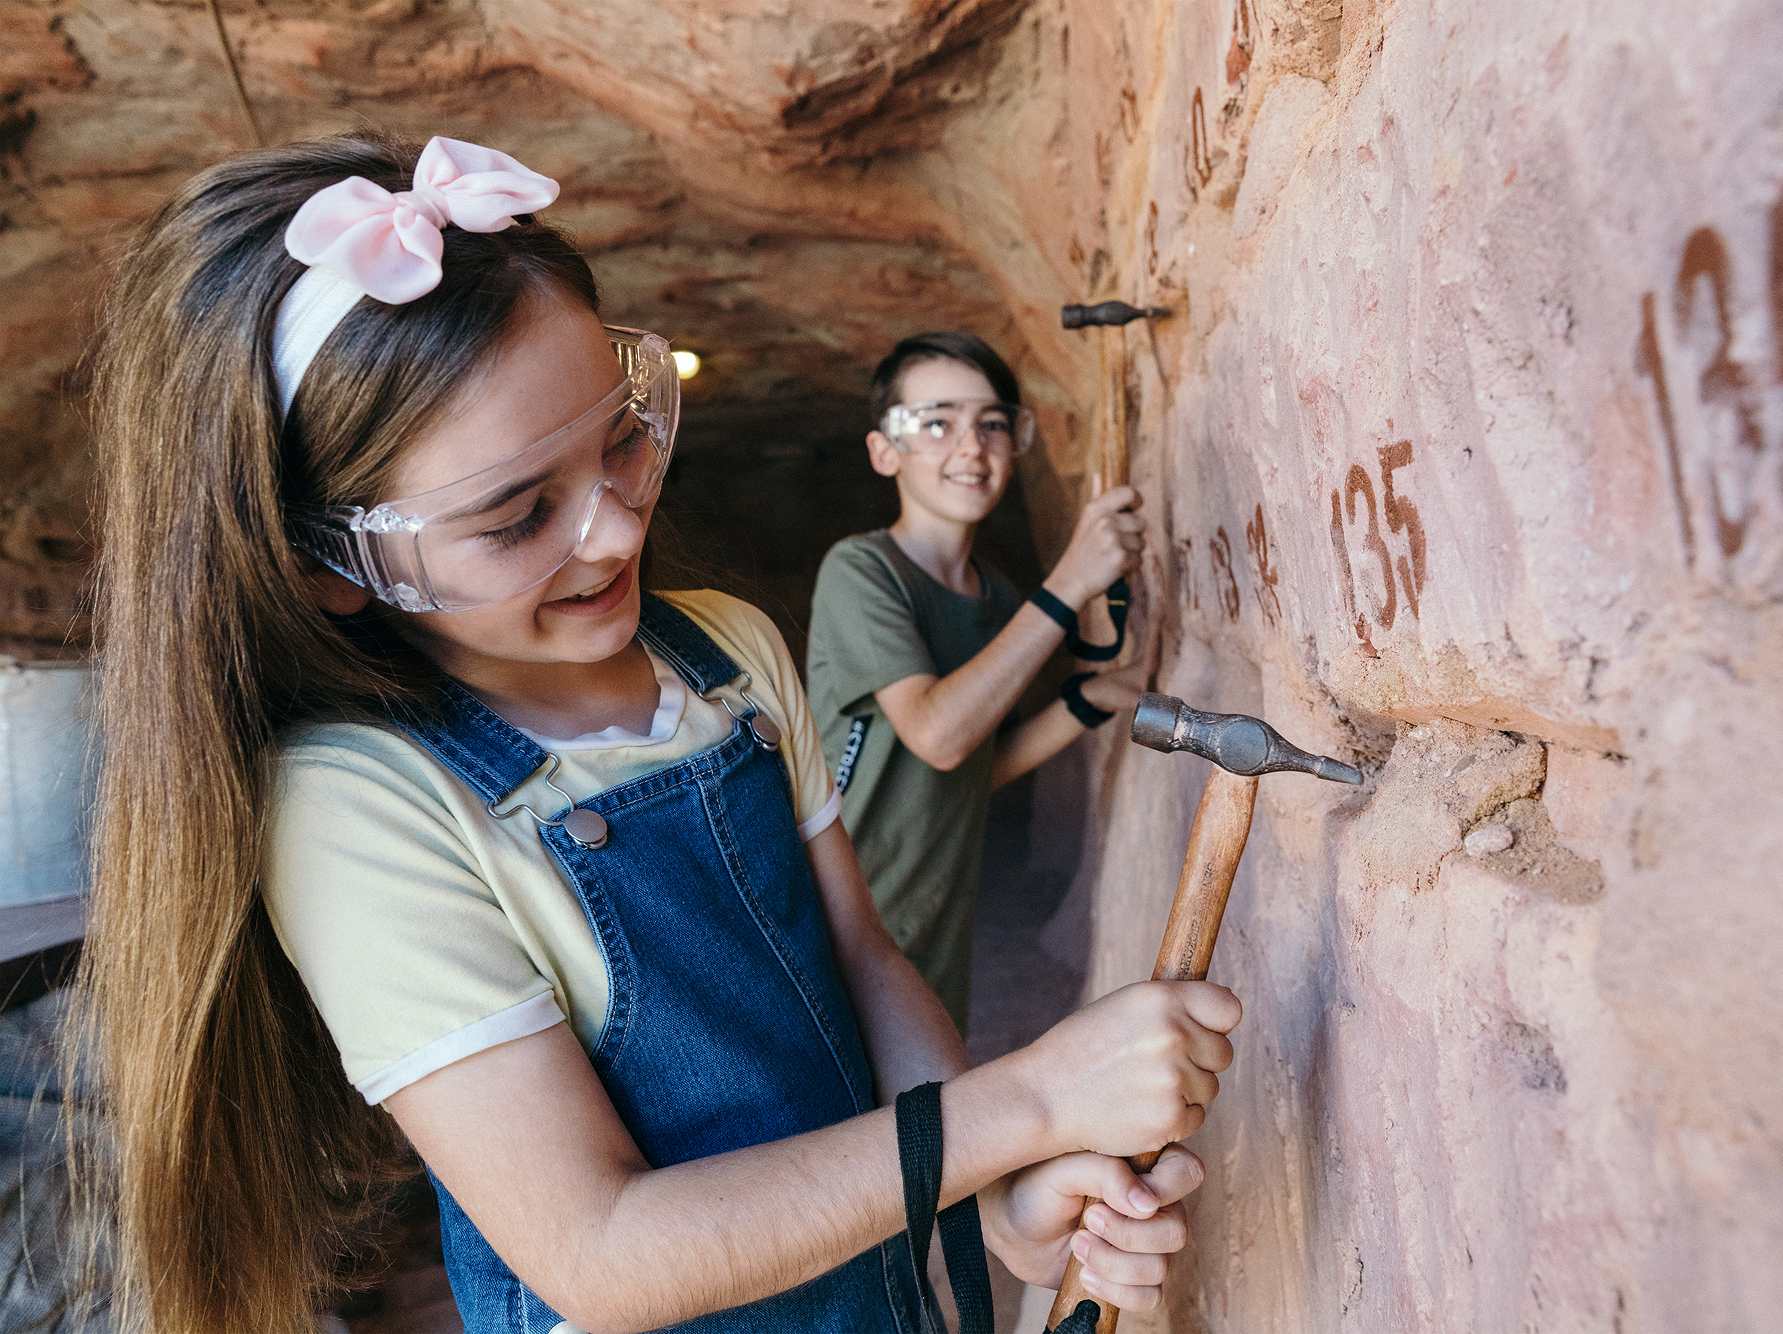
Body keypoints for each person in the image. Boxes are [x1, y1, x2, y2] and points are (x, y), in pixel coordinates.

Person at [73, 134, 1241, 1334]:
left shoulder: (728, 651)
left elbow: (865, 958)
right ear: (334, 563)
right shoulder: (358, 804)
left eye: (622, 438)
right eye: (518, 513)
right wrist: (1029, 1105)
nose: (616, 532)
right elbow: (602, 1249)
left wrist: (996, 1200)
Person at [809, 333, 1152, 1031]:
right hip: (837, 926)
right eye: (936, 423)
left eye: (992, 423)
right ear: (885, 450)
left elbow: (971, 768)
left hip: (932, 922)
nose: (971, 448)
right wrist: (1068, 585)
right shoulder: (862, 571)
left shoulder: (995, 599)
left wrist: (1086, 702)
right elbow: (937, 733)